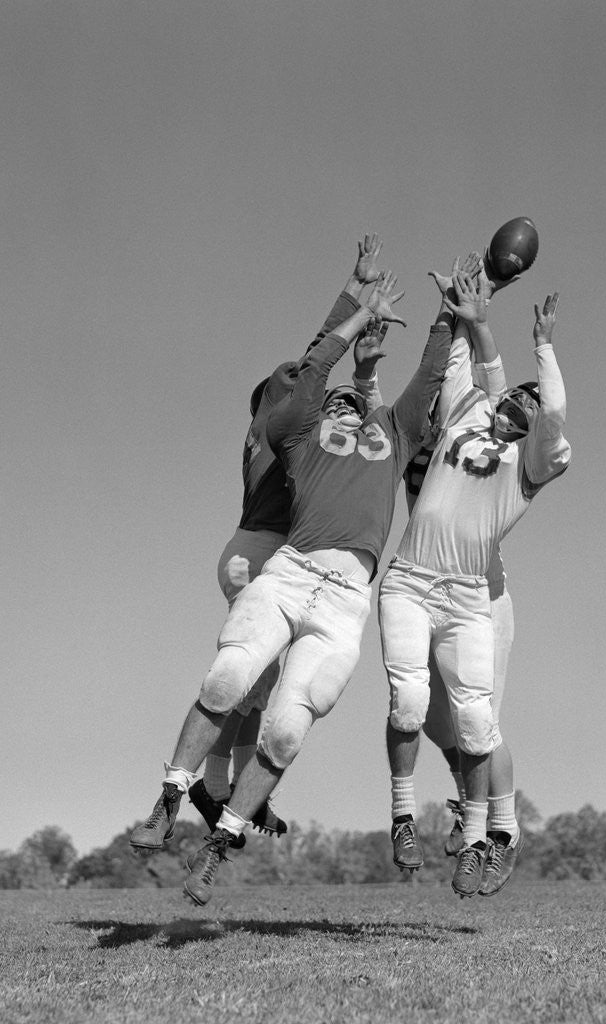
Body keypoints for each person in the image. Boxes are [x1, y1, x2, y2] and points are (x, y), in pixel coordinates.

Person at [134, 262, 456, 906]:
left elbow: (426, 381)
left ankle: (219, 842)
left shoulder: (391, 437)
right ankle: (171, 794)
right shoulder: (297, 436)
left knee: (285, 727)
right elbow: (308, 378)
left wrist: (449, 318)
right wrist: (357, 317)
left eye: (354, 402)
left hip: (344, 601)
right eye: (334, 402)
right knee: (228, 679)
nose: (344, 406)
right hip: (288, 570)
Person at [186, 235, 387, 845]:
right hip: (265, 550)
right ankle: (216, 787)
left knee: (260, 682)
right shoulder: (277, 426)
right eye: (291, 384)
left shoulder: (284, 433)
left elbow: (315, 361)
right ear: (269, 400)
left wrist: (355, 291)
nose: (308, 391)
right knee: (244, 680)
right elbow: (312, 357)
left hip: (266, 550)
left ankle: (223, 787)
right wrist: (352, 299)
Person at [379, 270, 571, 898]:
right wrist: (460, 309)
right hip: (420, 582)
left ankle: (500, 832)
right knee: (431, 722)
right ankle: (467, 802)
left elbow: (518, 395)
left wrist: (516, 337)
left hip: (480, 595)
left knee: (479, 723)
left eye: (528, 401)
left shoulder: (524, 459)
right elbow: (462, 370)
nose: (516, 399)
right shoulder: (446, 430)